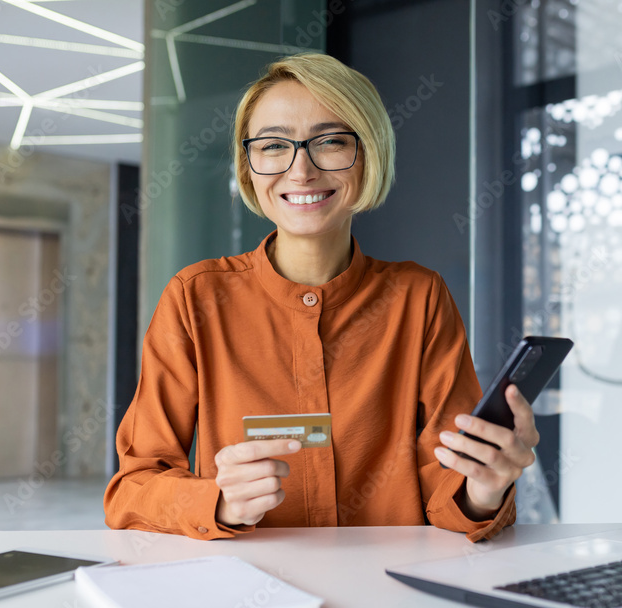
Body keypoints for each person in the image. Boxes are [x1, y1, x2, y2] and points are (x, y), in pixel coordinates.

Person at [104, 53, 539, 542]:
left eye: (330, 142)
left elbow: (448, 485)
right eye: (272, 146)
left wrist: (484, 490)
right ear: (249, 168)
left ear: (369, 154)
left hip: (390, 595)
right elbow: (132, 488)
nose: (301, 170)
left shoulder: (419, 298)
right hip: (244, 592)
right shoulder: (194, 297)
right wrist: (216, 502)